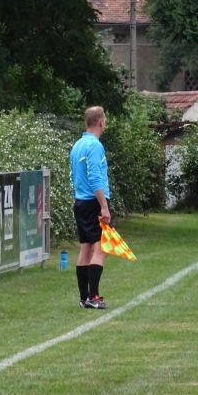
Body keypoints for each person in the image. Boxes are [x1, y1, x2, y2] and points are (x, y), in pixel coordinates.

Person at [69, 106, 111, 310]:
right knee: (101, 248)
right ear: (101, 122)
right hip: (93, 201)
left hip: (80, 201)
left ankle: (84, 297)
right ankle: (94, 297)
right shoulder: (94, 146)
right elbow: (95, 177)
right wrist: (104, 206)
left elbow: (73, 176)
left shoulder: (77, 145)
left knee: (85, 248)